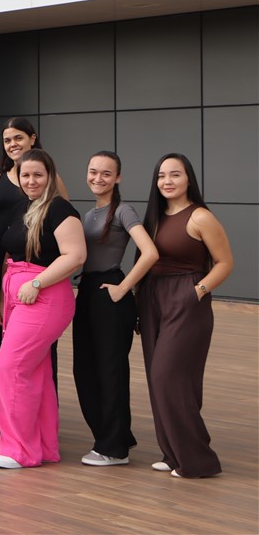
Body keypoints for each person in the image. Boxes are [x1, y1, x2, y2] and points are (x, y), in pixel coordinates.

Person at [138, 153, 233, 479]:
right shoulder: (154, 217)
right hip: (152, 300)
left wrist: (197, 291)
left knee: (169, 378)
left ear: (188, 178)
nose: (167, 181)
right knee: (157, 379)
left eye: (175, 174)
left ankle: (198, 461)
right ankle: (173, 453)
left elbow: (225, 263)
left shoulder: (200, 217)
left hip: (185, 299)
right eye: (161, 175)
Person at [0, 149, 84, 469]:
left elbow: (75, 255)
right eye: (26, 175)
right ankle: (42, 447)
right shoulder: (24, 207)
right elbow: (11, 256)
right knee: (36, 373)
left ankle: (18, 450)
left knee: (11, 368)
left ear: (50, 177)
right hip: (18, 297)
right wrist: (4, 299)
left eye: (38, 175)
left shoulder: (60, 209)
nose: (31, 181)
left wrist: (36, 283)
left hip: (44, 296)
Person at [75, 151, 158, 467]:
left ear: (118, 177)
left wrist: (124, 289)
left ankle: (114, 449)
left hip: (110, 293)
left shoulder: (123, 210)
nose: (98, 178)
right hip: (87, 292)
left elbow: (150, 252)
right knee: (85, 370)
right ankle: (116, 435)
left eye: (106, 173)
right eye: (93, 171)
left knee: (110, 372)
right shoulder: (87, 215)